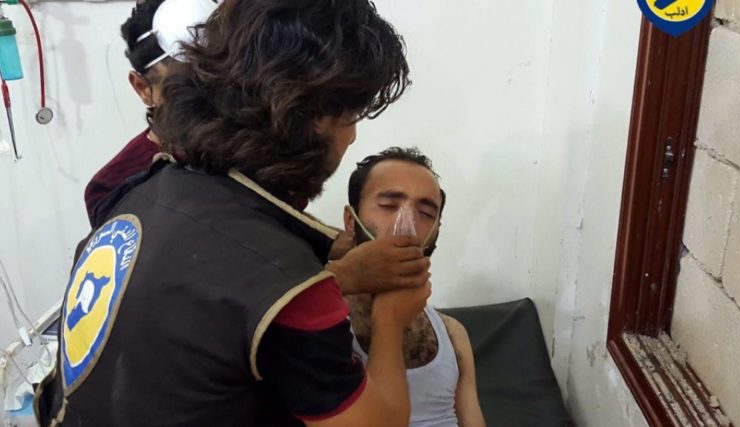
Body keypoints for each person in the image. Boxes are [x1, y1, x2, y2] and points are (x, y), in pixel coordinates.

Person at [34, 1, 429, 426]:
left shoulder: (144, 191)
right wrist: (391, 316)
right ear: (312, 116)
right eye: (350, 117)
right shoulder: (285, 282)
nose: (351, 137)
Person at [343, 147, 487, 427]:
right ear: (351, 221)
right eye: (389, 206)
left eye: (425, 212)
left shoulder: (453, 335)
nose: (406, 225)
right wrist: (389, 317)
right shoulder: (323, 324)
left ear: (436, 231)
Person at [83, 0, 218, 226]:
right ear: (142, 88)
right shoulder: (114, 185)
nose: (211, 97)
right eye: (185, 85)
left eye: (218, 79)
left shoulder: (255, 152)